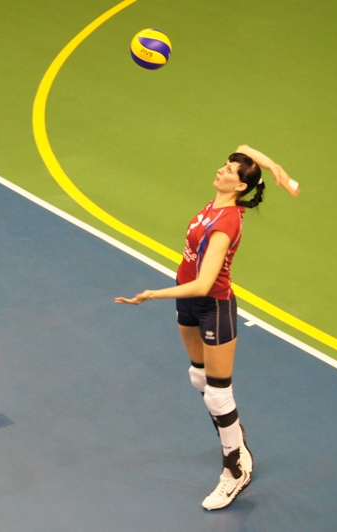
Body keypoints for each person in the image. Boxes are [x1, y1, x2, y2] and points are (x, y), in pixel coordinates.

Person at [115, 145, 299, 510]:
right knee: (198, 377)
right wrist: (274, 166)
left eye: (230, 171)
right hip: (188, 301)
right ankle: (236, 442)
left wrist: (152, 294)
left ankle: (234, 472)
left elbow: (203, 284)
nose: (222, 170)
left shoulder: (226, 223)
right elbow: (244, 147)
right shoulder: (217, 204)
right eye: (225, 165)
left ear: (240, 187)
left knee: (217, 393)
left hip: (212, 305)